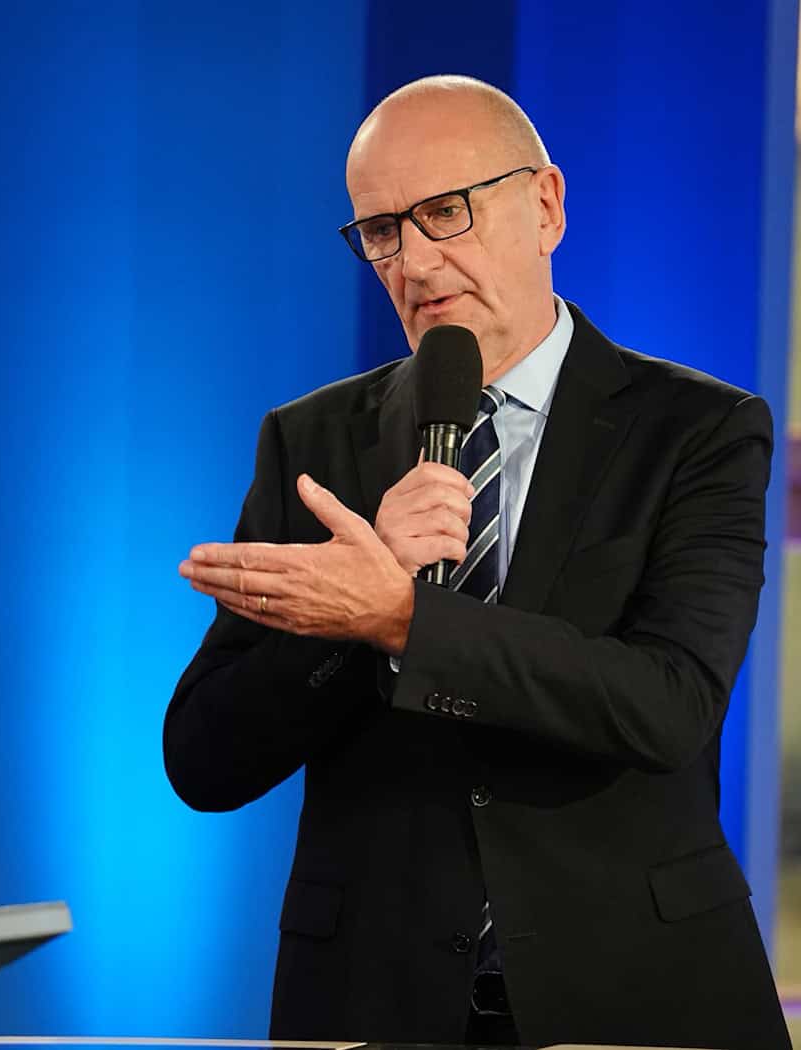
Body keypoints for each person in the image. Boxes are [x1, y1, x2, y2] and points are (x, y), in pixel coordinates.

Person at [165, 76, 789, 1049]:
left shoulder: (697, 430)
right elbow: (203, 760)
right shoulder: (314, 440)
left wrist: (407, 624)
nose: (412, 260)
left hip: (635, 988)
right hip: (376, 994)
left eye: (443, 213)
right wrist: (337, 626)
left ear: (543, 204)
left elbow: (667, 704)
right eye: (378, 230)